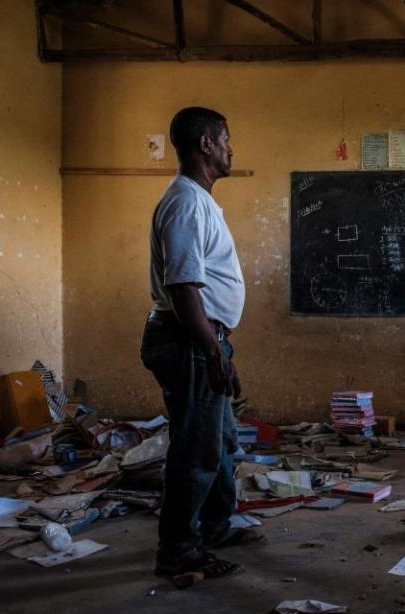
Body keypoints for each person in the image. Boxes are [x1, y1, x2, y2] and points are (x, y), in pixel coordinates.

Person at [140, 106, 256, 580]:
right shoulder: (187, 202)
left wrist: (220, 348)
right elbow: (185, 287)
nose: (231, 148)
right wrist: (212, 351)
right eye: (225, 139)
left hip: (202, 339)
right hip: (188, 340)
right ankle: (178, 549)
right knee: (197, 449)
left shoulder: (198, 201)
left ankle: (216, 525)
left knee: (222, 440)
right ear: (205, 144)